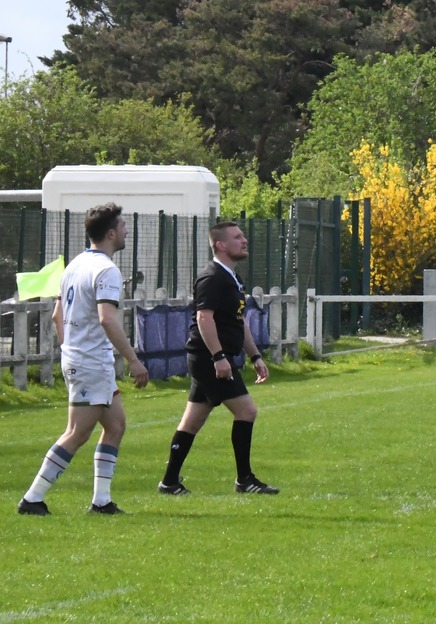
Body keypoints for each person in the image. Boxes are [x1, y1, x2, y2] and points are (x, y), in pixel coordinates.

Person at [19, 203, 149, 515]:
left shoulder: (74, 265)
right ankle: (32, 499)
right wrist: (133, 360)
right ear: (111, 233)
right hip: (91, 362)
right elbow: (107, 319)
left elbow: (56, 315)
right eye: (123, 225)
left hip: (87, 360)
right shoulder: (107, 270)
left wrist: (71, 350)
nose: (127, 230)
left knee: (116, 425)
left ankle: (101, 502)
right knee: (77, 433)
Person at [160, 219, 276, 497]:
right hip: (209, 359)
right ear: (221, 245)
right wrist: (219, 357)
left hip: (213, 359)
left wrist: (255, 356)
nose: (244, 240)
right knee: (247, 411)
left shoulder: (231, 277)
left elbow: (239, 322)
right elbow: (204, 317)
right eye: (238, 237)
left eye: (243, 236)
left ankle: (169, 482)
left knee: (192, 422)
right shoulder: (212, 276)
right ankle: (244, 479)